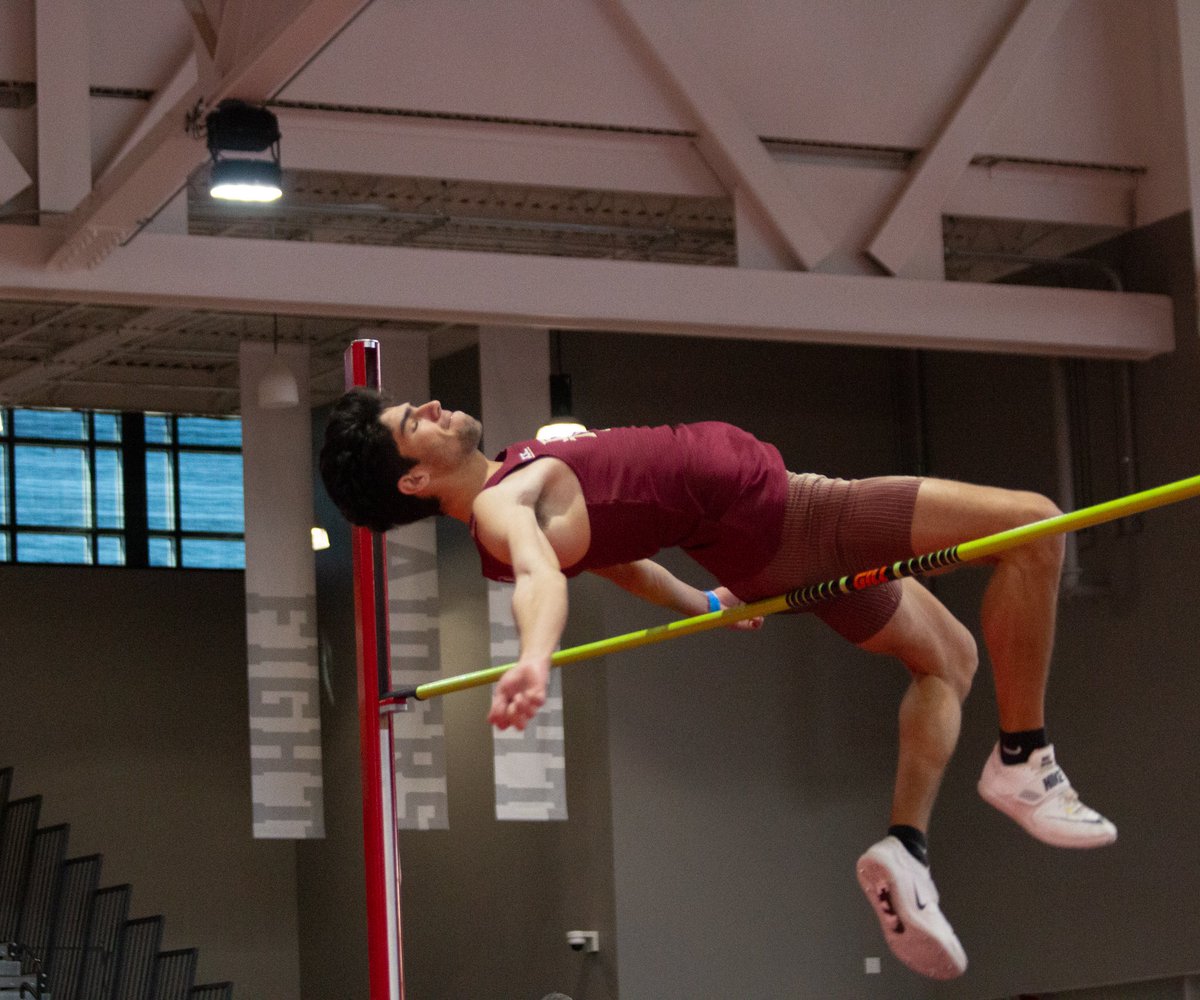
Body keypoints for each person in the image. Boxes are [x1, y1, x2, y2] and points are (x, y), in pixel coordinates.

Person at [319, 388, 1117, 981]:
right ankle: (1024, 756)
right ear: (415, 482)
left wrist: (698, 603)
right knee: (1034, 528)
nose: (428, 406)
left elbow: (616, 558)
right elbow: (538, 575)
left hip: (769, 538)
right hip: (796, 519)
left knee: (950, 659)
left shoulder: (522, 473)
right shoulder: (503, 508)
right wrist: (534, 654)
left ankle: (905, 847)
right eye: (410, 423)